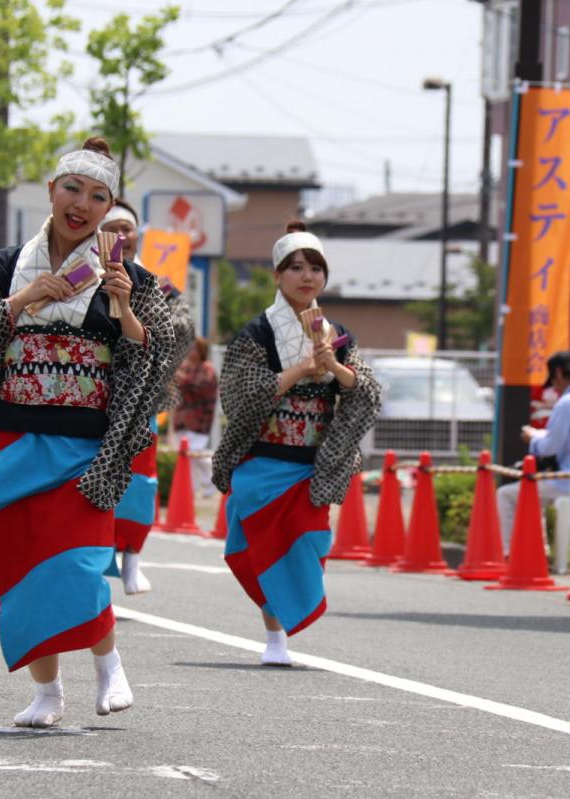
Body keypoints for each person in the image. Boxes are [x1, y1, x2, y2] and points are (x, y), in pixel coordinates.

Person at [0, 137, 175, 729]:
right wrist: (24, 299)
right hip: (13, 438)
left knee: (77, 565)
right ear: (51, 191)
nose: (81, 204)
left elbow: (154, 364)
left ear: (110, 210)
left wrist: (126, 311)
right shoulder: (2, 267)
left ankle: (108, 663)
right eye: (72, 190)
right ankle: (47, 691)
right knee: (10, 564)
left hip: (86, 448)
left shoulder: (130, 277)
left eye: (97, 196)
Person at [211, 221, 380, 667]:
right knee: (263, 549)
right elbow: (239, 395)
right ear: (277, 275)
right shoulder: (257, 334)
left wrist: (335, 369)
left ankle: (284, 627)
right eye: (297, 268)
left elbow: (367, 390)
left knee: (307, 544)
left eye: (316, 269)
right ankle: (275, 639)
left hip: (311, 466)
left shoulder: (337, 334)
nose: (307, 277)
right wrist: (300, 371)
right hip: (262, 461)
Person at [101, 197, 197, 596]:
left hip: (140, 402)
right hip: (95, 400)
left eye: (128, 228)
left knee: (139, 484)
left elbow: (184, 331)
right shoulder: (82, 279)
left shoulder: (161, 287)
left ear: (139, 234)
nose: (121, 235)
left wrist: (135, 313)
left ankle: (133, 558)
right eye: (113, 229)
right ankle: (95, 556)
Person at [497, 351, 570, 555]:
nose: (554, 387)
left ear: (558, 373)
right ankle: (540, 551)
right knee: (533, 490)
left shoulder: (568, 402)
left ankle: (507, 553)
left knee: (506, 495)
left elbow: (550, 446)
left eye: (552, 380)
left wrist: (532, 438)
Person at [173, 336, 219, 499]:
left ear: (201, 350)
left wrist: (183, 379)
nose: (190, 351)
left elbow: (202, 388)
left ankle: (214, 477)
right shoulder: (185, 366)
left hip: (199, 420)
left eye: (194, 348)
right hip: (182, 419)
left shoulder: (207, 369)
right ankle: (191, 490)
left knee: (195, 454)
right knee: (186, 459)